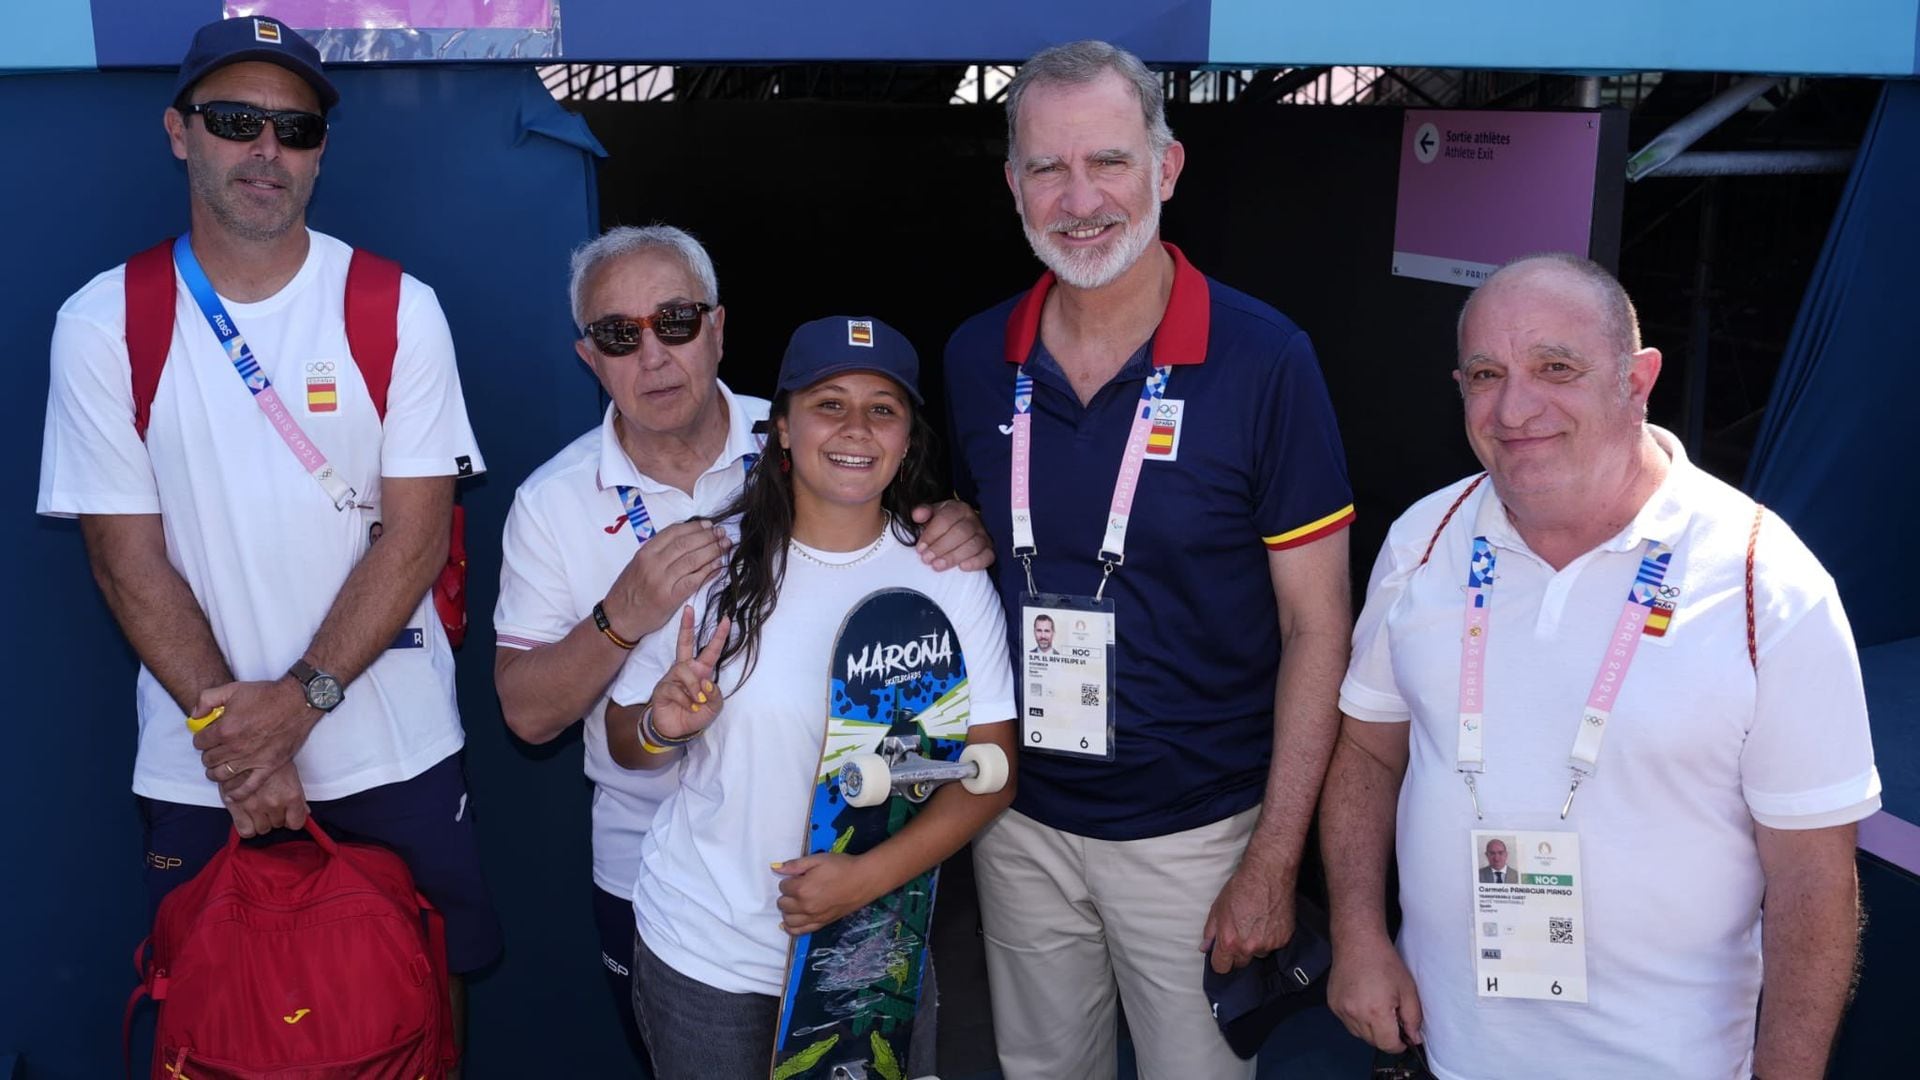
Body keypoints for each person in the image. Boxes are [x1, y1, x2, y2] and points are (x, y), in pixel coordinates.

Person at [36, 13, 499, 1053]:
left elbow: (417, 539)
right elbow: (124, 557)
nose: (266, 150)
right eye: (237, 119)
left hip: (394, 749)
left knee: (420, 990)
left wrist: (296, 709)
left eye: (294, 129)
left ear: (320, 150)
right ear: (178, 130)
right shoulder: (106, 320)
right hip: (203, 765)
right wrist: (238, 747)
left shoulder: (396, 307)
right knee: (217, 1014)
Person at [1322, 253, 1880, 1079]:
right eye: (1486, 374)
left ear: (1638, 378)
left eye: (1557, 368)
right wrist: (1359, 935)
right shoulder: (1424, 540)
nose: (1515, 407)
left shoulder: (1768, 582)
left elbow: (1813, 881)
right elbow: (1369, 754)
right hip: (1447, 1052)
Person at [942, 40, 1356, 1079]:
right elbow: (1000, 536)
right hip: (1019, 820)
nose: (1079, 197)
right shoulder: (975, 358)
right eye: (1047, 167)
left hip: (1199, 835)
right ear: (1012, 186)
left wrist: (1274, 860)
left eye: (1109, 162)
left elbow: (1319, 629)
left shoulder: (1268, 360)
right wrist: (958, 529)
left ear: (1166, 169)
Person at [492, 227, 993, 1058]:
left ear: (719, 327)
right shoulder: (551, 503)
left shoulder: (813, 435)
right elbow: (527, 717)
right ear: (589, 357)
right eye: (620, 334)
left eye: (676, 321)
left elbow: (905, 547)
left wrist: (955, 525)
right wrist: (623, 614)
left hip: (842, 868)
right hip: (664, 888)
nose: (652, 354)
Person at [602, 316, 1018, 1080]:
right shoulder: (711, 560)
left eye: (882, 408)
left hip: (873, 947)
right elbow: (624, 738)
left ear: (906, 438)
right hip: (709, 953)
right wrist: (662, 726)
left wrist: (868, 878)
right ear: (783, 428)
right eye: (829, 403)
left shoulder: (946, 581)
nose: (856, 428)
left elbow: (992, 769)